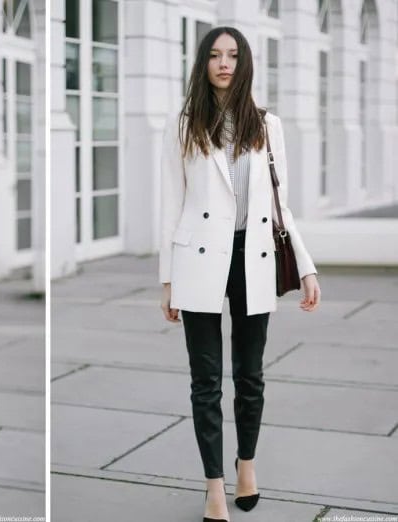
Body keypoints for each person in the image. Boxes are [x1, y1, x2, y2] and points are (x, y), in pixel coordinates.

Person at [158, 27, 321, 522]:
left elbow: (280, 204)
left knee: (250, 376)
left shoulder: (268, 124)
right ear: (203, 64)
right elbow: (172, 203)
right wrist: (167, 279)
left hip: (254, 257)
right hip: (197, 258)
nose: (223, 63)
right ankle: (213, 486)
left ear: (244, 62)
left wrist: (307, 268)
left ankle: (245, 465)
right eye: (214, 55)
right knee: (205, 381)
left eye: (232, 55)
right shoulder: (184, 123)